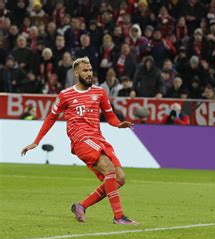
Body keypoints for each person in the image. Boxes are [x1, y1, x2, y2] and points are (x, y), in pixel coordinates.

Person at [20, 57, 138, 225]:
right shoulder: (65, 95)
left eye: (90, 70)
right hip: (81, 139)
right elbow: (50, 118)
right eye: (85, 70)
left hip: (98, 138)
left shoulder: (99, 92)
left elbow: (110, 117)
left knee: (120, 178)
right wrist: (36, 141)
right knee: (109, 169)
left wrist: (119, 124)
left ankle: (81, 205)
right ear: (76, 73)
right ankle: (119, 217)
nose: (89, 73)